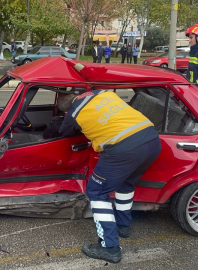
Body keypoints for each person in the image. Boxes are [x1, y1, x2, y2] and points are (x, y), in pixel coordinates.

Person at [57, 90, 161, 264]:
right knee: (126, 184)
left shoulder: (73, 112)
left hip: (124, 149)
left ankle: (109, 248)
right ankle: (123, 226)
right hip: (152, 141)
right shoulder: (103, 93)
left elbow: (63, 133)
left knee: (96, 192)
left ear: (66, 110)